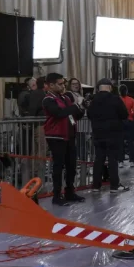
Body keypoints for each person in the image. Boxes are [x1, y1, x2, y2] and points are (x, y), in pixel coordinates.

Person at [42, 73, 85, 206]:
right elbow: (59, 113)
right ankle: (56, 195)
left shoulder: (65, 98)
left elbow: (74, 115)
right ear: (51, 85)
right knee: (58, 166)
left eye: (63, 83)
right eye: (60, 84)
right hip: (56, 136)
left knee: (71, 165)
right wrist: (75, 106)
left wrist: (81, 107)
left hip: (69, 134)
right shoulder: (48, 99)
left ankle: (69, 192)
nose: (62, 86)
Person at [86, 78, 129, 194]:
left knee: (98, 159)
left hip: (98, 134)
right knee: (112, 160)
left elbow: (89, 114)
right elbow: (125, 114)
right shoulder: (115, 99)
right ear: (110, 87)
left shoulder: (93, 100)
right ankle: (114, 186)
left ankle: (96, 186)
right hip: (113, 134)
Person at [120, 84, 134, 167]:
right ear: (127, 91)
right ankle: (131, 161)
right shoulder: (132, 100)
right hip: (130, 122)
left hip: (120, 123)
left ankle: (120, 161)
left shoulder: (117, 100)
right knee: (131, 142)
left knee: (120, 142)